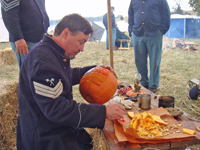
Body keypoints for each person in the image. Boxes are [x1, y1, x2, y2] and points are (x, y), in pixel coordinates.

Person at [17, 13, 125, 150]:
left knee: (86, 142)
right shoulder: (42, 61)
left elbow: (65, 75)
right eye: (81, 42)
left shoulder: (52, 52)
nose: (82, 49)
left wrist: (95, 70)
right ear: (66, 33)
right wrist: (103, 112)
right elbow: (57, 109)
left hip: (58, 126)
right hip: (45, 136)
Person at [128, 0, 170, 93]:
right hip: (137, 33)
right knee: (139, 61)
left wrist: (161, 31)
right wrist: (131, 31)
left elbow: (166, 15)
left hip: (155, 34)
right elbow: (130, 16)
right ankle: (143, 83)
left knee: (155, 61)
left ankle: (153, 85)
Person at [1, 0, 49, 68]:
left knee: (39, 71)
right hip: (25, 41)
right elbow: (9, 16)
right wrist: (18, 38)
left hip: (40, 37)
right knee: (27, 72)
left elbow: (41, 9)